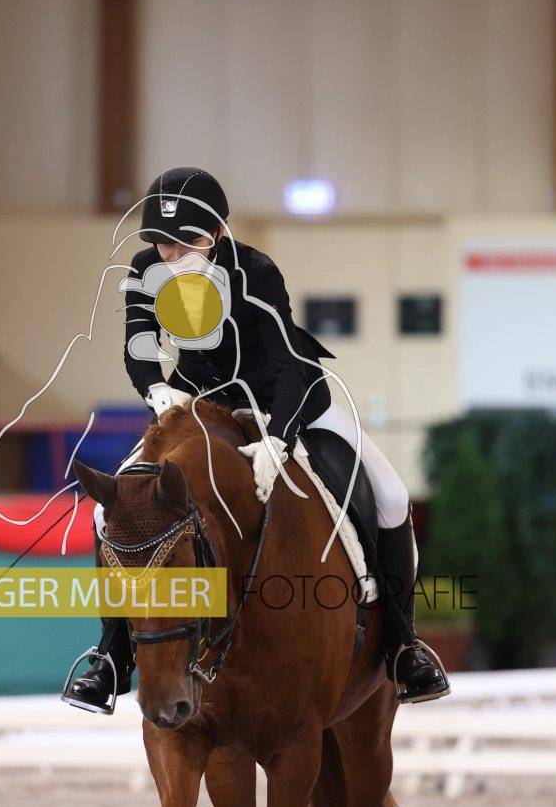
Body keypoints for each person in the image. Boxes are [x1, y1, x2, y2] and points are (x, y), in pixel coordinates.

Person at [62, 167, 448, 713]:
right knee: (110, 512)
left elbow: (287, 362)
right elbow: (139, 345)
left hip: (288, 401)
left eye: (187, 242)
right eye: (164, 244)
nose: (173, 255)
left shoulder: (256, 271)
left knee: (390, 496)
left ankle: (404, 645)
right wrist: (156, 390)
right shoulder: (146, 269)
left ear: (218, 233)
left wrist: (278, 440)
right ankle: (111, 654)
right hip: (200, 409)